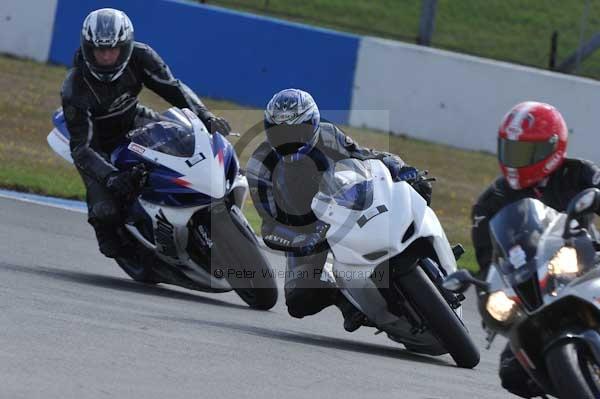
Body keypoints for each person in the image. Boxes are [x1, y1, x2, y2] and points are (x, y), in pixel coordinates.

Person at [246, 88, 432, 332]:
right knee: (298, 300)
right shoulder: (259, 166)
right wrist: (302, 238)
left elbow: (366, 158)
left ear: (312, 124)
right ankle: (347, 304)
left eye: (296, 131)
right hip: (306, 231)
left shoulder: (328, 135)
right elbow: (269, 225)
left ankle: (433, 253)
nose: (289, 140)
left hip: (348, 205)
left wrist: (399, 167)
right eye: (279, 133)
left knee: (419, 188)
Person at [61, 8, 231, 258]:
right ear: (88, 49)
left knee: (188, 142)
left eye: (113, 49)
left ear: (126, 46)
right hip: (99, 145)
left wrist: (206, 117)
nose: (107, 57)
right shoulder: (75, 88)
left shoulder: (142, 56)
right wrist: (110, 177)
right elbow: (82, 148)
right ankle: (123, 238)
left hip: (134, 119)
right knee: (107, 218)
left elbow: (174, 89)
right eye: (100, 50)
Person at [471, 101, 600, 398]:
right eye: (511, 151)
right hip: (535, 293)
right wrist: (485, 291)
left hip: (583, 264)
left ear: (552, 148)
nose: (517, 161)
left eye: (526, 152)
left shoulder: (579, 173)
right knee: (512, 372)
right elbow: (485, 262)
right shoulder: (491, 202)